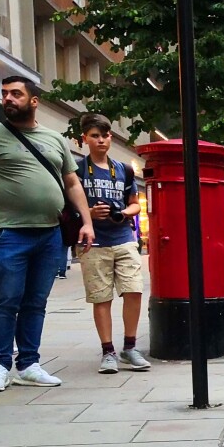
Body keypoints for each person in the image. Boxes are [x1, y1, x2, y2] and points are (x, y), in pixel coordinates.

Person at [0, 76, 96, 392]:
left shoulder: (54, 139)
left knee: (35, 302)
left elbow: (72, 183)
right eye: (5, 93)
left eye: (16, 94)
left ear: (33, 100)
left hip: (49, 235)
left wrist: (87, 221)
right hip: (8, 232)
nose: (9, 98)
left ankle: (28, 364)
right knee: (5, 301)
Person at [76, 113, 150, 374]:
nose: (101, 140)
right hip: (94, 243)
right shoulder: (77, 170)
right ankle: (108, 351)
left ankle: (130, 347)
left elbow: (133, 205)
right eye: (95, 136)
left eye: (105, 135)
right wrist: (88, 215)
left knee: (134, 290)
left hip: (123, 238)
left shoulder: (124, 170)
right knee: (102, 297)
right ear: (85, 139)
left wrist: (123, 214)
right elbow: (69, 205)